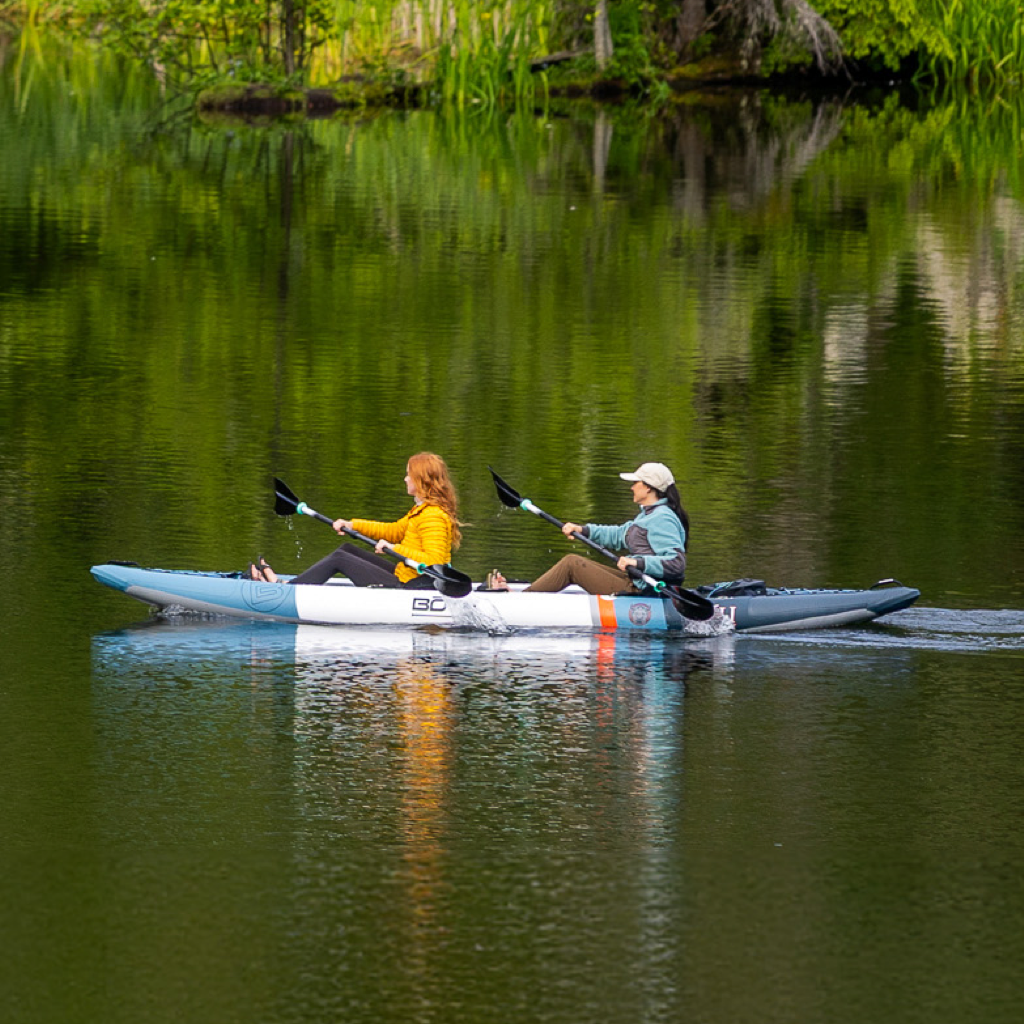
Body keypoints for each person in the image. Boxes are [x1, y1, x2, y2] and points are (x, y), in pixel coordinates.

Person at [252, 452, 461, 588]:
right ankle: (292, 585)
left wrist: (394, 549)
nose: (404, 478)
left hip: (415, 585)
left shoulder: (433, 516)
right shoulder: (422, 510)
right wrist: (352, 525)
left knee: (339, 560)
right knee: (346, 549)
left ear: (421, 480)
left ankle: (286, 590)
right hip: (408, 576)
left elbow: (433, 562)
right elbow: (395, 530)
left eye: (408, 475)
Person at [489, 462, 688, 595]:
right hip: (638, 583)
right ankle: (528, 596)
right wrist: (583, 530)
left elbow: (676, 563)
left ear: (648, 488)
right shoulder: (649, 514)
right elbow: (620, 535)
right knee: (574, 563)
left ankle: (522, 601)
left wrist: (637, 562)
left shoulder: (663, 518)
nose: (631, 487)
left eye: (636, 482)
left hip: (646, 591)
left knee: (572, 563)